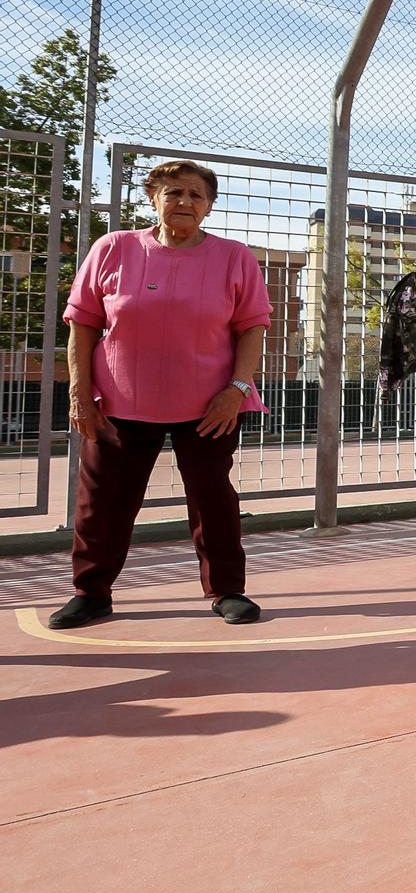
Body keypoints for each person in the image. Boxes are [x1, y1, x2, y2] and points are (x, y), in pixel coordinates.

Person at [51, 160, 272, 630]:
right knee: (102, 500)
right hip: (120, 401)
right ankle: (90, 593)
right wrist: (78, 388)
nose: (185, 202)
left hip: (210, 404)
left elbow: (252, 327)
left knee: (213, 497)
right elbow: (83, 322)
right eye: (173, 193)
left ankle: (227, 590)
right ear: (153, 198)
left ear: (209, 206)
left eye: (196, 195)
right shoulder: (113, 248)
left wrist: (236, 389)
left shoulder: (235, 257)